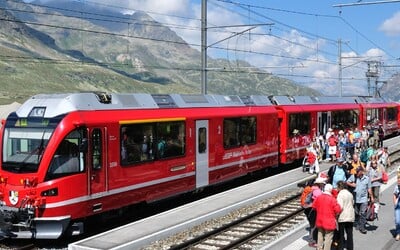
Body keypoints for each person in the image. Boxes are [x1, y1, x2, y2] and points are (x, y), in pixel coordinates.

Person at [312, 183, 342, 250]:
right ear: (330, 190)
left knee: (320, 235)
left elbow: (314, 207)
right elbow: (338, 210)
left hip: (319, 220)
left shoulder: (319, 197)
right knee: (328, 238)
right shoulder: (332, 199)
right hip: (329, 222)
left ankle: (319, 248)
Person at [347, 167, 374, 234]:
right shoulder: (354, 177)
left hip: (363, 199)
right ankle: (357, 223)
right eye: (356, 171)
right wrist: (352, 185)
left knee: (363, 213)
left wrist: (372, 197)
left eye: (358, 171)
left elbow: (369, 188)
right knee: (356, 212)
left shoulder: (367, 179)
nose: (357, 173)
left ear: (361, 172)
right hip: (356, 198)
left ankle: (362, 227)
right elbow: (347, 182)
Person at [336, 181, 355, 250]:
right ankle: (350, 248)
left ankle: (340, 247)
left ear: (339, 187)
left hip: (342, 217)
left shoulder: (340, 194)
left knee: (341, 234)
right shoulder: (350, 194)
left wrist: (336, 215)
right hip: (350, 216)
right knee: (349, 234)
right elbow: (352, 203)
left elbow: (340, 207)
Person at [393, 175, 400, 241]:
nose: (398, 181)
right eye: (398, 179)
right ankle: (398, 233)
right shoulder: (396, 187)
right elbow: (394, 195)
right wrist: (395, 203)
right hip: (398, 205)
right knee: (397, 221)